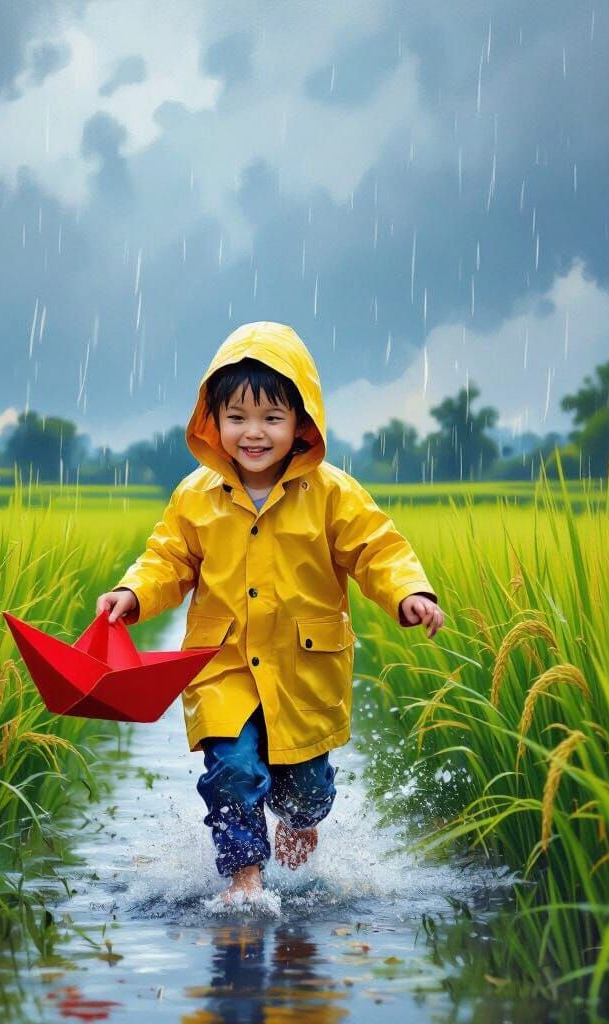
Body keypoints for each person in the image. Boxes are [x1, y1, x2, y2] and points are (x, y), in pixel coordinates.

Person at [96, 322, 443, 904]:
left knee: (304, 788)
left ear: (301, 423)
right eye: (237, 417)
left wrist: (410, 592)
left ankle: (302, 820)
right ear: (213, 421)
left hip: (304, 668)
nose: (253, 433)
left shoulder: (334, 494)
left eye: (271, 419)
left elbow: (376, 547)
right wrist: (133, 594)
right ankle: (244, 879)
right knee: (232, 771)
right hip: (222, 664)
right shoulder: (194, 495)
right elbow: (167, 558)